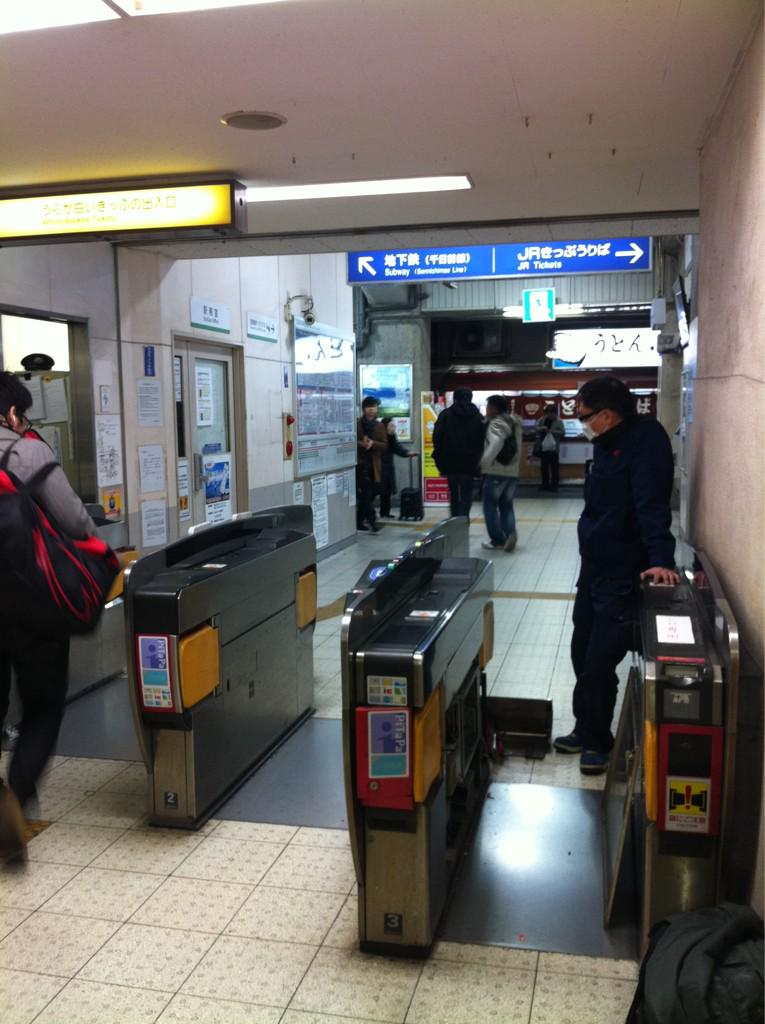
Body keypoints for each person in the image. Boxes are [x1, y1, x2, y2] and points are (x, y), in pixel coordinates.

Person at [553, 375, 679, 775]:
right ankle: (584, 726)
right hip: (594, 567)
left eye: (584, 416)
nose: (581, 423)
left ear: (607, 414)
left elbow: (651, 503)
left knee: (600, 658)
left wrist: (660, 558)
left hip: (622, 572)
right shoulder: (606, 443)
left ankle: (597, 741)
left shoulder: (646, 441)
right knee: (581, 649)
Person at [0, 372, 94, 862]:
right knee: (41, 708)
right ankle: (15, 799)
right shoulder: (28, 452)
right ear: (13, 414)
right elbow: (76, 520)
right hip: (32, 604)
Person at [432, 387, 484, 518]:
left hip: (450, 462)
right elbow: (483, 440)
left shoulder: (445, 415)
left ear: (455, 398)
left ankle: (454, 520)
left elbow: (436, 437)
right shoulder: (478, 417)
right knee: (467, 494)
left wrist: (440, 457)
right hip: (470, 463)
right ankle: (464, 520)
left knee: (453, 494)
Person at [479, 395, 522, 552]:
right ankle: (510, 534)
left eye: (488, 406)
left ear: (494, 408)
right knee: (507, 506)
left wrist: (483, 463)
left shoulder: (497, 423)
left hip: (496, 471)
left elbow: (496, 443)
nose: (486, 410)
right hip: (512, 472)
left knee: (490, 507)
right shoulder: (515, 423)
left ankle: (497, 541)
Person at [356, 396, 387, 532]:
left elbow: (385, 445)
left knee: (369, 494)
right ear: (364, 409)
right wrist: (361, 444)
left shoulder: (379, 426)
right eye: (368, 407)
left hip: (374, 466)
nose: (371, 410)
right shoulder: (357, 424)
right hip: (360, 464)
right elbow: (351, 441)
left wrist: (373, 444)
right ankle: (372, 521)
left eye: (373, 407)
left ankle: (359, 520)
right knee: (367, 493)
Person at [378, 417, 416, 518]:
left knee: (387, 491)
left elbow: (397, 447)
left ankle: (385, 512)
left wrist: (407, 453)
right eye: (391, 426)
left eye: (394, 426)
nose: (394, 428)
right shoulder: (379, 437)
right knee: (378, 491)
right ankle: (367, 515)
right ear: (385, 427)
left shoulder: (392, 437)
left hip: (388, 466)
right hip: (378, 467)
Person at [535, 403, 565, 491]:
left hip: (553, 448)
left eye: (552, 413)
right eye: (548, 413)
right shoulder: (542, 419)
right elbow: (536, 428)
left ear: (555, 413)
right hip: (543, 447)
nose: (550, 415)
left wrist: (552, 431)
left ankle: (554, 486)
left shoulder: (559, 421)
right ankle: (545, 484)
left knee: (554, 468)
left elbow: (563, 432)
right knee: (544, 467)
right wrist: (542, 428)